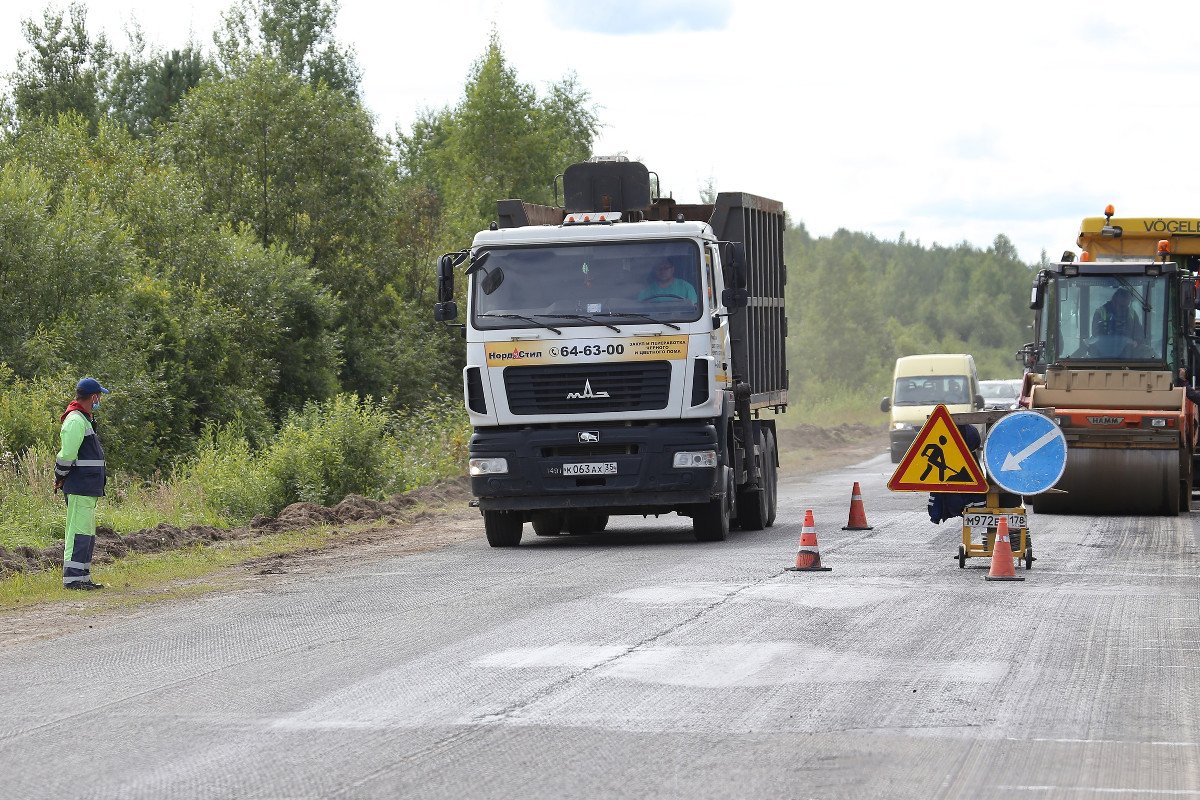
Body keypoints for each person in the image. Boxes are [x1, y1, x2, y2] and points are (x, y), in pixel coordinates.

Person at [54, 377, 110, 591]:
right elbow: (67, 454)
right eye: (99, 396)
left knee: (85, 533)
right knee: (78, 532)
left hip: (86, 487)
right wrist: (59, 477)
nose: (99, 400)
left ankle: (83, 577)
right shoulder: (76, 420)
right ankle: (73, 580)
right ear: (93, 396)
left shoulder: (84, 419)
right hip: (79, 486)